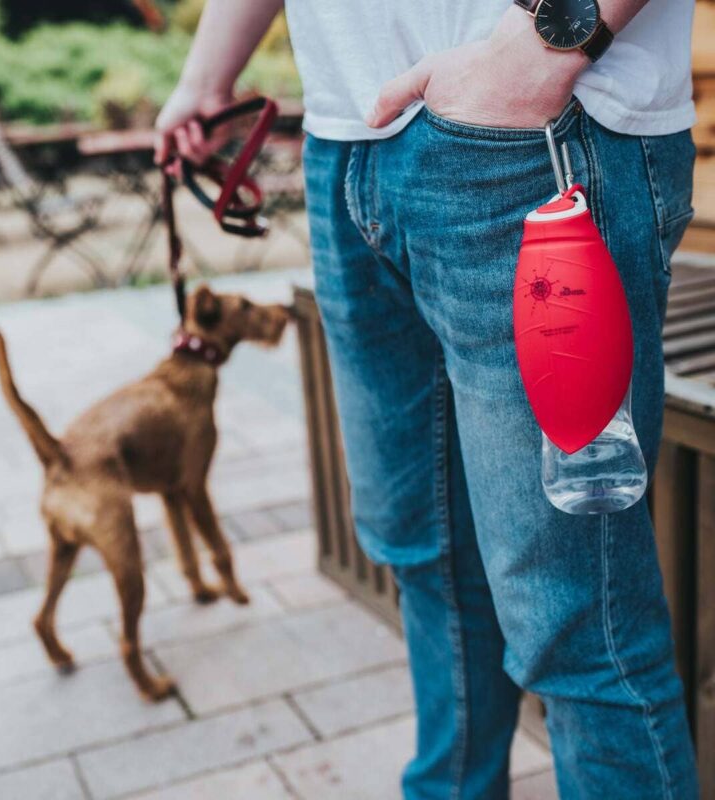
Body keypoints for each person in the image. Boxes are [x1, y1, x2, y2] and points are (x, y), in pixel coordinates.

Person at [156, 1, 700, 797]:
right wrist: (208, 74)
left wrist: (546, 43)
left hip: (539, 128)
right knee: (425, 553)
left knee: (578, 622)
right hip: (346, 140)